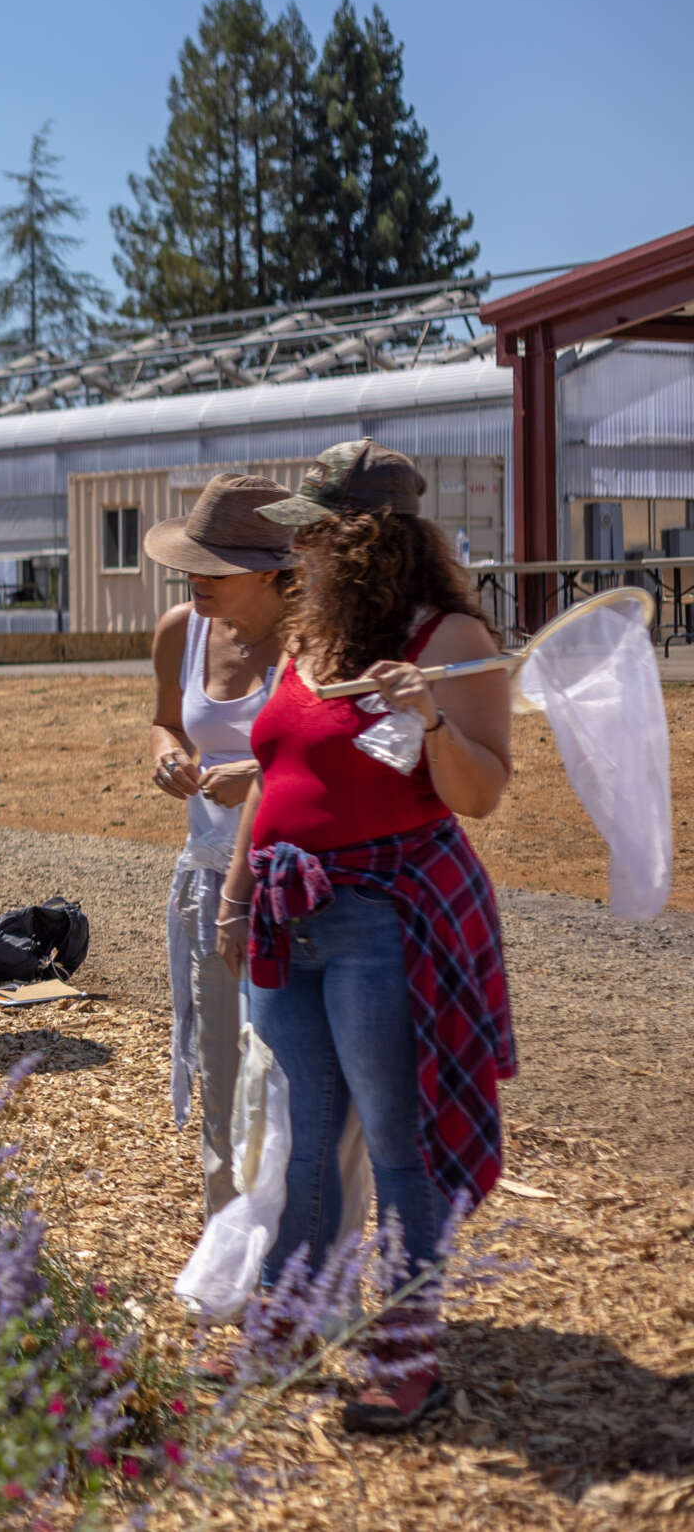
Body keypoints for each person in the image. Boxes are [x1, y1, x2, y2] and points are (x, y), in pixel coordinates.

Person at [216, 439, 516, 1435]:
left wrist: (430, 717)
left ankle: (402, 1352)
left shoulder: (448, 634)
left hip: (386, 919)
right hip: (285, 914)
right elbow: (271, 778)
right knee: (305, 1136)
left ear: (359, 537)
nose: (293, 545)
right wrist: (231, 898)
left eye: (310, 528)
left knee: (399, 1145)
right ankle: (287, 1324)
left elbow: (480, 791)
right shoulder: (312, 638)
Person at [144, 474, 296, 1221]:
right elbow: (165, 720)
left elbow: (352, 750)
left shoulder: (317, 641)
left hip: (298, 887)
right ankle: (226, 1239)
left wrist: (264, 774)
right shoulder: (182, 628)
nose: (193, 575)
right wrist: (166, 751)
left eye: (214, 563)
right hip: (210, 880)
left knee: (291, 1075)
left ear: (271, 569)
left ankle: (293, 1248)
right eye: (190, 559)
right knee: (222, 1066)